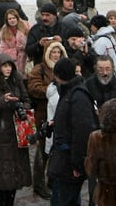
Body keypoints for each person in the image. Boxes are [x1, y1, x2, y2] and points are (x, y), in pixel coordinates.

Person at [47, 57, 98, 206]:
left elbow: (82, 132)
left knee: (63, 199)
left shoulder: (77, 95)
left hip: (69, 162)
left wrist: (78, 164)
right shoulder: (70, 92)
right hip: (65, 160)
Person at [0, 53, 32, 206]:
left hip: (17, 132)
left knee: (15, 172)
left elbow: (26, 100)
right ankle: (2, 201)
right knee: (3, 172)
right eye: (4, 66)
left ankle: (10, 201)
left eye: (9, 65)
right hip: (1, 132)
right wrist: (3, 100)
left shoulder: (17, 81)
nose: (8, 69)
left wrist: (21, 108)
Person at [27, 41, 67, 200]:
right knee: (42, 151)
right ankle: (39, 184)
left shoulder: (64, 67)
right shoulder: (40, 69)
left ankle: (52, 179)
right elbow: (33, 88)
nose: (56, 55)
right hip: (43, 114)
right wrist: (52, 91)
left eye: (58, 52)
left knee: (57, 149)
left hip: (61, 114)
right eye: (53, 52)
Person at [25, 1, 63, 65]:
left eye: (47, 15)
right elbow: (28, 51)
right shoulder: (35, 29)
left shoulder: (64, 28)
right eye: (43, 15)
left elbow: (71, 49)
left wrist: (61, 42)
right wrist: (39, 44)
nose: (44, 18)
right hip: (41, 67)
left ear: (55, 15)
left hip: (61, 66)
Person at [0, 8, 29, 74]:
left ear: (17, 18)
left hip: (26, 59)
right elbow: (3, 50)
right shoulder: (4, 31)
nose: (12, 20)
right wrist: (15, 51)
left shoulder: (26, 27)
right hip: (12, 61)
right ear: (7, 20)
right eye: (9, 19)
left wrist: (24, 48)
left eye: (14, 18)